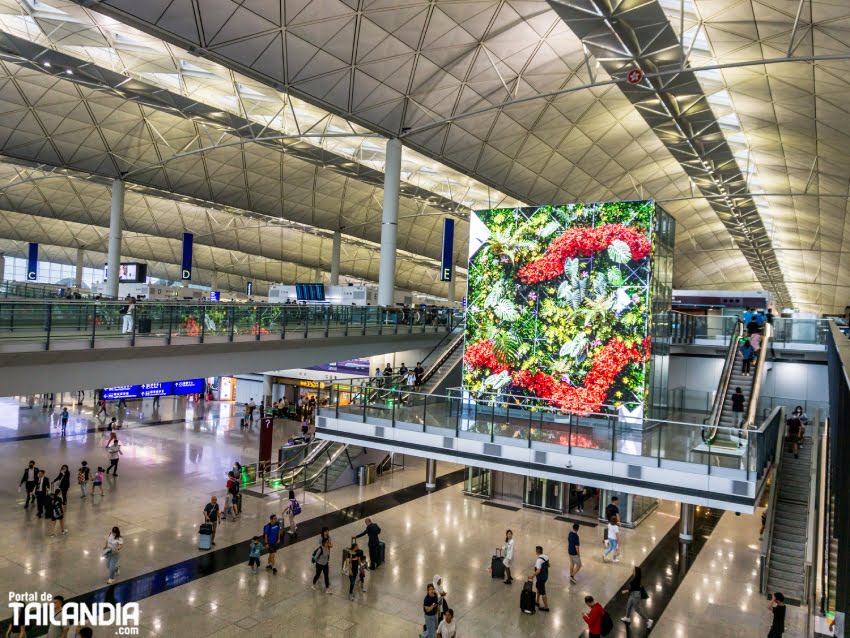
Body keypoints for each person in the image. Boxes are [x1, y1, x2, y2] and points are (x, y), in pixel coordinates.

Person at [311, 527, 333, 594]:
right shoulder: (320, 549)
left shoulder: (328, 548)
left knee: (326, 576)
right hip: (319, 564)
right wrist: (316, 563)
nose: (328, 543)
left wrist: (327, 561)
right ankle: (313, 584)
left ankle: (327, 588)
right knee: (317, 575)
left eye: (328, 542)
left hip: (325, 564)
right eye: (327, 542)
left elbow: (328, 553)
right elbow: (315, 557)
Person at [533, 546, 550, 612]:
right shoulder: (546, 557)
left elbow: (538, 571)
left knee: (543, 592)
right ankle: (537, 601)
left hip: (541, 578)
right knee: (538, 587)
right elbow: (549, 565)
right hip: (545, 576)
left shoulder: (538, 560)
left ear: (536, 551)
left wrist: (532, 576)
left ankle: (546, 607)